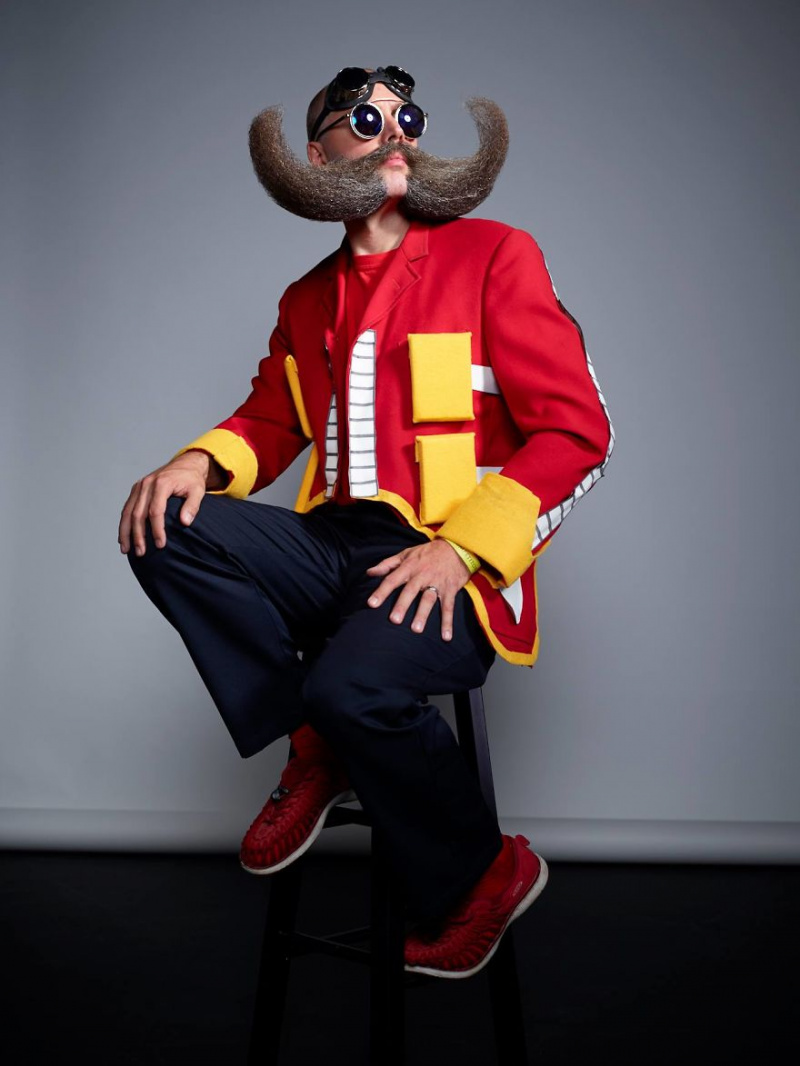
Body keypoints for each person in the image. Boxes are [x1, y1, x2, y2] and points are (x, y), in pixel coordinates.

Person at [119, 65, 614, 979]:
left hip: (443, 561)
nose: (396, 132)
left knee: (352, 688)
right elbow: (271, 421)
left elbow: (581, 433)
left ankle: (486, 873)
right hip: (330, 546)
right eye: (365, 117)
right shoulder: (306, 297)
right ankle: (315, 743)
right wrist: (194, 463)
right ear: (318, 156)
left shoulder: (496, 255)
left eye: (408, 118)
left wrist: (463, 552)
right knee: (162, 519)